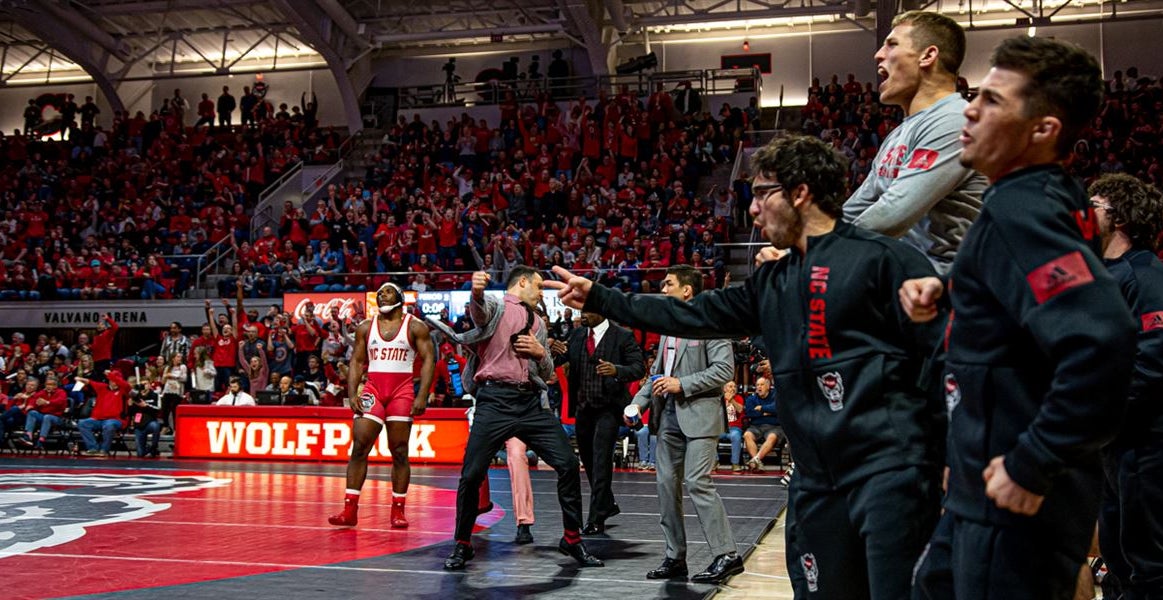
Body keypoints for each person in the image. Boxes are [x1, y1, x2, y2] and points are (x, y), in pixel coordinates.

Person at [548, 134, 948, 598]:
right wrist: (602, 297)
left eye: (761, 193)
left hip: (889, 475)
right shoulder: (773, 280)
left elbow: (942, 362)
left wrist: (947, 459)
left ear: (800, 192)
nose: (752, 209)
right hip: (816, 483)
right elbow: (688, 314)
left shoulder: (886, 261)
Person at [902, 37, 1138, 600]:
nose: (970, 110)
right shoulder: (1039, 198)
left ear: (1042, 129)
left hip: (1011, 500)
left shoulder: (1022, 210)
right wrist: (951, 290)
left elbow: (1103, 339)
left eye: (992, 101)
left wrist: (1033, 462)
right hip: (981, 485)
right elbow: (1024, 308)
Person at [435, 267, 603, 571]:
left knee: (567, 463)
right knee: (472, 474)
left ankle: (572, 538)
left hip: (529, 403)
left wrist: (541, 353)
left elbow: (547, 373)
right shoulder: (497, 306)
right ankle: (462, 543)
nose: (541, 294)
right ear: (522, 282)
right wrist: (476, 292)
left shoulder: (537, 321)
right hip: (494, 401)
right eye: (537, 287)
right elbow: (479, 312)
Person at [841, 11, 986, 275]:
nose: (878, 55)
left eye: (892, 44)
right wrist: (799, 248)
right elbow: (854, 209)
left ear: (927, 56)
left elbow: (891, 215)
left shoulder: (956, 121)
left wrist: (817, 253)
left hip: (951, 285)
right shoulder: (899, 134)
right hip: (911, 278)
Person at [1085, 174, 1163, 600]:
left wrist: (1095, 414)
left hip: (1144, 443)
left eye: (1093, 204)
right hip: (1109, 445)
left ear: (1120, 217)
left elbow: (1152, 364)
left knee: (1148, 562)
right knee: (1116, 557)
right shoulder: (1096, 274)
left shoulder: (1146, 276)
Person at [328, 283, 435, 529]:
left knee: (399, 451)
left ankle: (398, 510)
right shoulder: (366, 327)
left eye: (387, 291)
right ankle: (349, 510)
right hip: (373, 389)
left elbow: (429, 358)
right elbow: (357, 361)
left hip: (402, 391)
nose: (381, 295)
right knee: (359, 446)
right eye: (379, 293)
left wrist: (422, 395)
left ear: (399, 297)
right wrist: (352, 393)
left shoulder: (415, 326)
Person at [557, 310, 644, 534]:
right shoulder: (577, 335)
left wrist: (617, 370)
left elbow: (638, 368)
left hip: (609, 409)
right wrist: (549, 350)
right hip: (583, 407)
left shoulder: (622, 336)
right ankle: (606, 503)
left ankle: (596, 518)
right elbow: (561, 359)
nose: (582, 314)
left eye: (587, 310)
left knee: (601, 460)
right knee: (588, 461)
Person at [75, 371, 129, 457]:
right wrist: (80, 379)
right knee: (82, 423)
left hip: (116, 419)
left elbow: (126, 385)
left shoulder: (124, 390)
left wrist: (111, 375)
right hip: (98, 419)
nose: (114, 382)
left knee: (109, 425)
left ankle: (104, 450)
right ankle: (93, 448)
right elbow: (90, 382)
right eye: (112, 380)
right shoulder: (102, 387)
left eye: (116, 380)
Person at [742, 376, 780, 473]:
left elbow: (777, 408)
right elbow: (749, 413)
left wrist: (761, 408)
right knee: (747, 435)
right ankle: (757, 464)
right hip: (756, 426)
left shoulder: (775, 395)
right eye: (757, 385)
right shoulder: (751, 398)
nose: (759, 387)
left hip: (774, 426)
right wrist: (766, 413)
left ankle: (755, 461)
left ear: (768, 386)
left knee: (772, 437)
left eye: (762, 385)